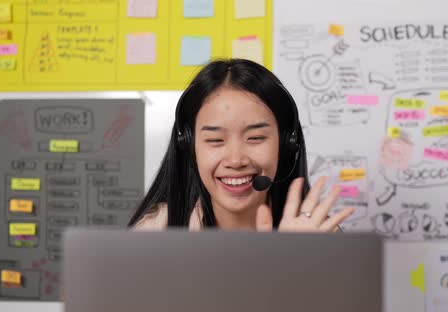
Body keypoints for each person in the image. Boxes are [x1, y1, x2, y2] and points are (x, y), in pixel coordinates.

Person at [129, 58, 354, 231]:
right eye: (215, 140)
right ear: (189, 146)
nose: (236, 160)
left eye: (255, 138)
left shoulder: (317, 234)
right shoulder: (155, 233)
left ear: (286, 143)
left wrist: (300, 261)